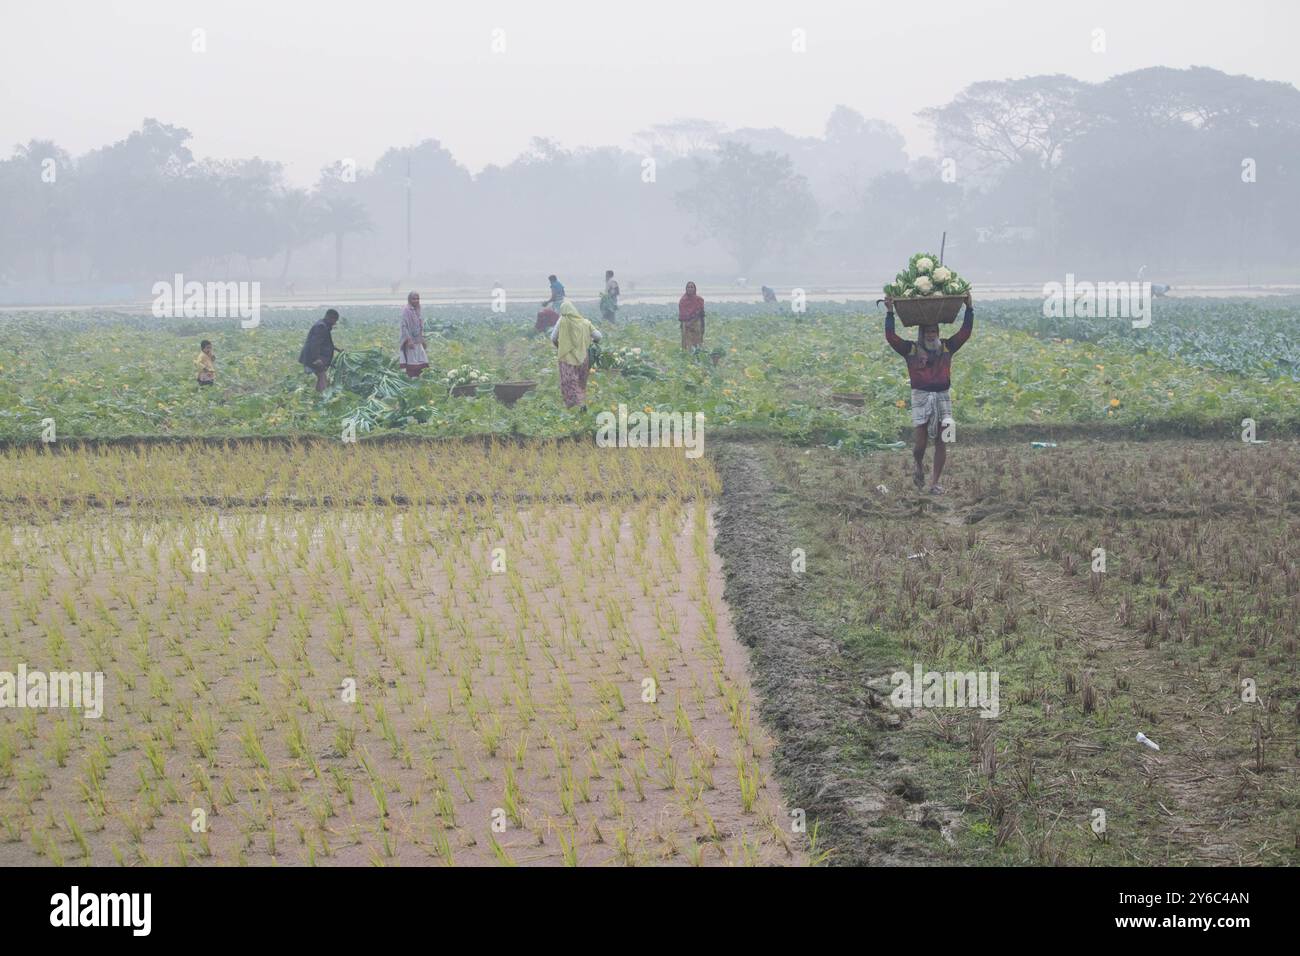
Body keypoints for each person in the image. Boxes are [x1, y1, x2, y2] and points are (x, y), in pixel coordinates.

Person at [884, 293, 974, 495]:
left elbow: (965, 332)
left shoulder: (946, 347)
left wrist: (969, 308)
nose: (931, 335)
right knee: (920, 443)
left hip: (943, 397)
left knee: (942, 440)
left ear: (938, 332)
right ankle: (917, 464)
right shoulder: (911, 350)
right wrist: (890, 313)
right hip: (921, 397)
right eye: (927, 332)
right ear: (921, 334)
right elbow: (891, 337)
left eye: (934, 331)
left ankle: (934, 482)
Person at [550, 300, 602, 409]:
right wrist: (592, 342)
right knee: (581, 381)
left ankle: (574, 406)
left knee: (569, 382)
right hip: (583, 357)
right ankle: (581, 402)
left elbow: (553, 338)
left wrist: (559, 346)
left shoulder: (562, 321)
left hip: (566, 358)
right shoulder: (585, 322)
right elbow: (598, 336)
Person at [299, 308, 342, 391]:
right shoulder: (321, 327)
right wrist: (317, 359)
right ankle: (322, 397)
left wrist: (337, 349)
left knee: (321, 376)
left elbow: (326, 343)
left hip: (313, 356)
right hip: (313, 357)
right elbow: (315, 344)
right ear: (330, 318)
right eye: (335, 320)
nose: (335, 323)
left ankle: (319, 395)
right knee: (322, 376)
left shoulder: (323, 325)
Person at [398, 291, 429, 377]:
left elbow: (420, 325)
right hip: (410, 340)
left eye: (417, 298)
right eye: (413, 299)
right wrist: (409, 340)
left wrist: (422, 339)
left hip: (418, 339)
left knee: (421, 360)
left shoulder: (418, 309)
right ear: (409, 299)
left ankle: (419, 379)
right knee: (412, 361)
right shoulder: (406, 310)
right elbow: (404, 326)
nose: (416, 300)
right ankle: (412, 379)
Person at [678, 281, 705, 349]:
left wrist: (702, 328)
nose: (690, 289)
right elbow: (682, 316)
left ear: (695, 289)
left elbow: (701, 314)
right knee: (687, 345)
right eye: (688, 287)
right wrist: (684, 326)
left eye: (692, 287)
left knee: (697, 345)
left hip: (697, 325)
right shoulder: (683, 300)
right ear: (686, 289)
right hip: (686, 326)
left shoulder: (699, 300)